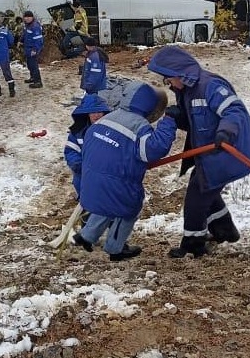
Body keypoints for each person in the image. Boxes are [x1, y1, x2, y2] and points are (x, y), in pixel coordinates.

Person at [147, 46, 250, 258]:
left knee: (196, 198)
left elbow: (233, 111)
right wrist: (179, 118)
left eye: (168, 79)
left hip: (228, 151)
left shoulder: (210, 86)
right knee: (205, 188)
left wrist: (225, 132)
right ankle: (225, 230)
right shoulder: (186, 91)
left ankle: (193, 244)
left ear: (180, 74)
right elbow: (198, 120)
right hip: (209, 154)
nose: (168, 84)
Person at [73, 82, 176, 261]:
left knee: (107, 201)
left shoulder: (107, 118)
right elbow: (154, 150)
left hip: (88, 185)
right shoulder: (139, 126)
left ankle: (86, 235)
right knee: (128, 208)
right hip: (116, 186)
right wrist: (168, 122)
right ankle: (115, 248)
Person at [63, 93, 111, 196]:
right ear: (87, 114)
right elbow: (71, 151)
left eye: (99, 111)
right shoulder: (78, 132)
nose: (96, 115)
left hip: (106, 175)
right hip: (84, 174)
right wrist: (80, 166)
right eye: (92, 112)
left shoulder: (111, 131)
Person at [21, 10, 45, 88]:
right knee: (29, 64)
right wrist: (20, 40)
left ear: (32, 17)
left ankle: (38, 82)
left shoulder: (35, 26)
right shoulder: (27, 25)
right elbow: (25, 34)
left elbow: (38, 40)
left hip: (33, 49)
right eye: (26, 17)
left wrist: (35, 50)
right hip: (27, 47)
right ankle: (32, 77)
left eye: (29, 17)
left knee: (33, 65)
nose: (27, 19)